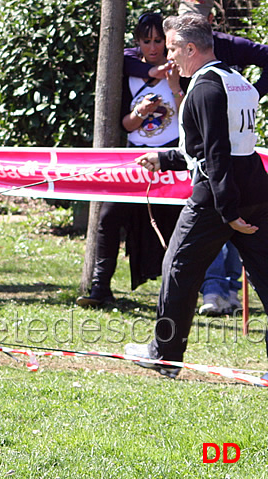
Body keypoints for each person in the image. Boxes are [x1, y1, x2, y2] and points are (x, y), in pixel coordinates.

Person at [125, 13, 268, 380]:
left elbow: (217, 153)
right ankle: (164, 353)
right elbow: (227, 147)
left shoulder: (204, 88)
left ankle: (164, 354)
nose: (169, 57)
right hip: (255, 188)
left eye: (172, 48)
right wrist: (165, 157)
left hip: (218, 198)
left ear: (191, 48)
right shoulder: (238, 81)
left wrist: (227, 210)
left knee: (178, 268)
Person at [76, 13, 182, 307]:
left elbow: (189, 116)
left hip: (171, 160)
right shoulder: (127, 70)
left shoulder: (179, 69)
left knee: (176, 226)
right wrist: (141, 112)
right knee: (109, 219)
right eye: (146, 41)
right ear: (138, 42)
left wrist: (174, 86)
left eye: (158, 40)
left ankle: (178, 293)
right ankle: (100, 288)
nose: (153, 47)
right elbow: (127, 124)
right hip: (136, 161)